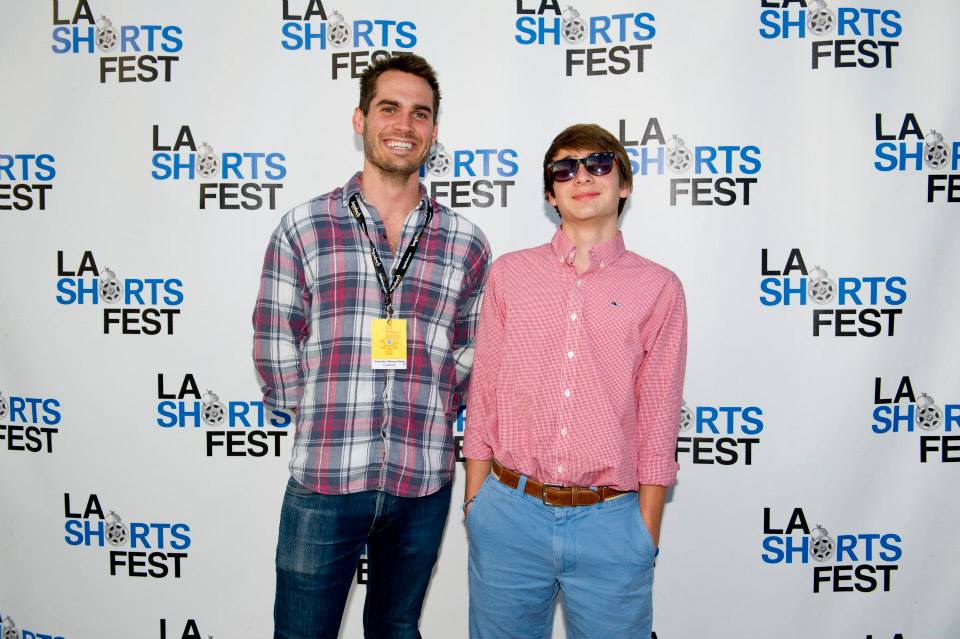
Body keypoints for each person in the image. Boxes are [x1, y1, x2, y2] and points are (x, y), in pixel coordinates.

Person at [253, 52, 490, 639]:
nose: (403, 125)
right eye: (389, 108)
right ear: (360, 119)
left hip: (422, 481)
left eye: (419, 114)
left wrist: (435, 407)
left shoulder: (465, 241)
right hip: (326, 477)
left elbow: (471, 347)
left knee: (397, 629)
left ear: (434, 132)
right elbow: (275, 334)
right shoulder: (305, 226)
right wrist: (318, 411)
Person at [462, 123, 687, 638]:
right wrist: (477, 505)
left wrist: (644, 532)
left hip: (612, 522)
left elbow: (658, 413)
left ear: (624, 183)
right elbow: (486, 390)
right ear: (550, 192)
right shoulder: (509, 275)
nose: (581, 176)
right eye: (564, 168)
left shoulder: (659, 288)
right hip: (508, 516)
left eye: (599, 163)